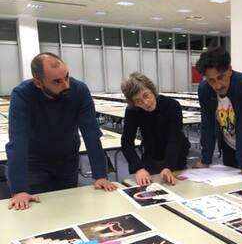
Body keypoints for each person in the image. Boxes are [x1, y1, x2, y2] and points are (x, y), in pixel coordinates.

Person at [6, 53, 116, 211]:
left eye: (67, 77)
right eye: (57, 81)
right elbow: (17, 142)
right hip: (34, 163)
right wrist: (19, 189)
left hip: (67, 160)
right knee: (36, 213)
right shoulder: (22, 95)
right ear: (38, 82)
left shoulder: (79, 91)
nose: (66, 85)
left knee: (68, 208)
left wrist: (100, 175)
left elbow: (91, 133)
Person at [192, 47, 242, 177]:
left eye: (220, 77)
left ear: (229, 70)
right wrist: (205, 160)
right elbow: (208, 125)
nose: (218, 86)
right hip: (229, 144)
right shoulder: (204, 90)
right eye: (211, 80)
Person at [121, 72, 190, 186]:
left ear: (152, 89)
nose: (145, 103)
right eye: (138, 101)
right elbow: (126, 142)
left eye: (146, 95)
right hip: (151, 153)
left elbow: (175, 138)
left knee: (176, 187)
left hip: (176, 154)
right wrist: (138, 168)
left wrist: (168, 166)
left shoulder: (171, 105)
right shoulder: (132, 111)